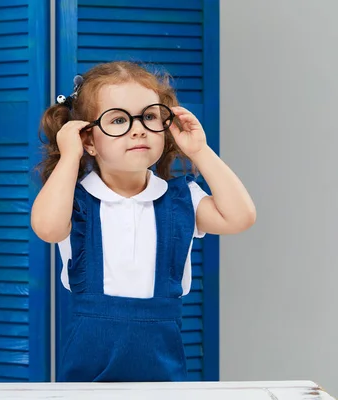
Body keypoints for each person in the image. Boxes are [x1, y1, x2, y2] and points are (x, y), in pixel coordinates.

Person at [30, 61, 256, 382]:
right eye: (119, 119)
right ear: (89, 140)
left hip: (163, 367)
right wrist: (70, 157)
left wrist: (200, 151)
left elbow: (240, 217)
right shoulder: (74, 201)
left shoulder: (181, 198)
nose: (138, 128)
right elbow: (48, 228)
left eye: (149, 116)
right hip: (89, 369)